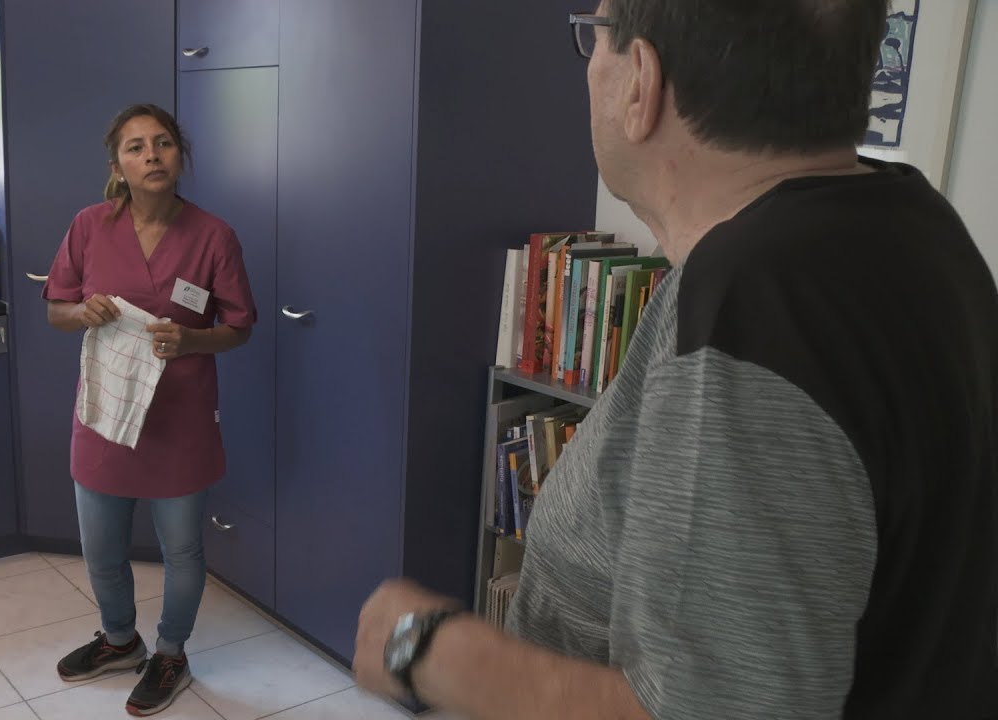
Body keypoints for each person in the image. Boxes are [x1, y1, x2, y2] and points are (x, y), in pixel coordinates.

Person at [354, 1, 998, 718]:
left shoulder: (753, 306)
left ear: (641, 82)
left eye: (594, 35)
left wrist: (427, 650)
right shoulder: (920, 229)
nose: (589, 62)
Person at [42, 103, 257, 716]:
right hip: (105, 415)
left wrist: (191, 339)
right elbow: (56, 309)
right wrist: (81, 312)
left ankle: (170, 653)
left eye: (163, 143)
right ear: (118, 166)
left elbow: (240, 326)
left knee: (182, 551)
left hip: (180, 420)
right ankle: (119, 640)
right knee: (101, 548)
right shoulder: (89, 226)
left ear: (179, 157)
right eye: (136, 147)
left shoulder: (213, 236)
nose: (152, 155)